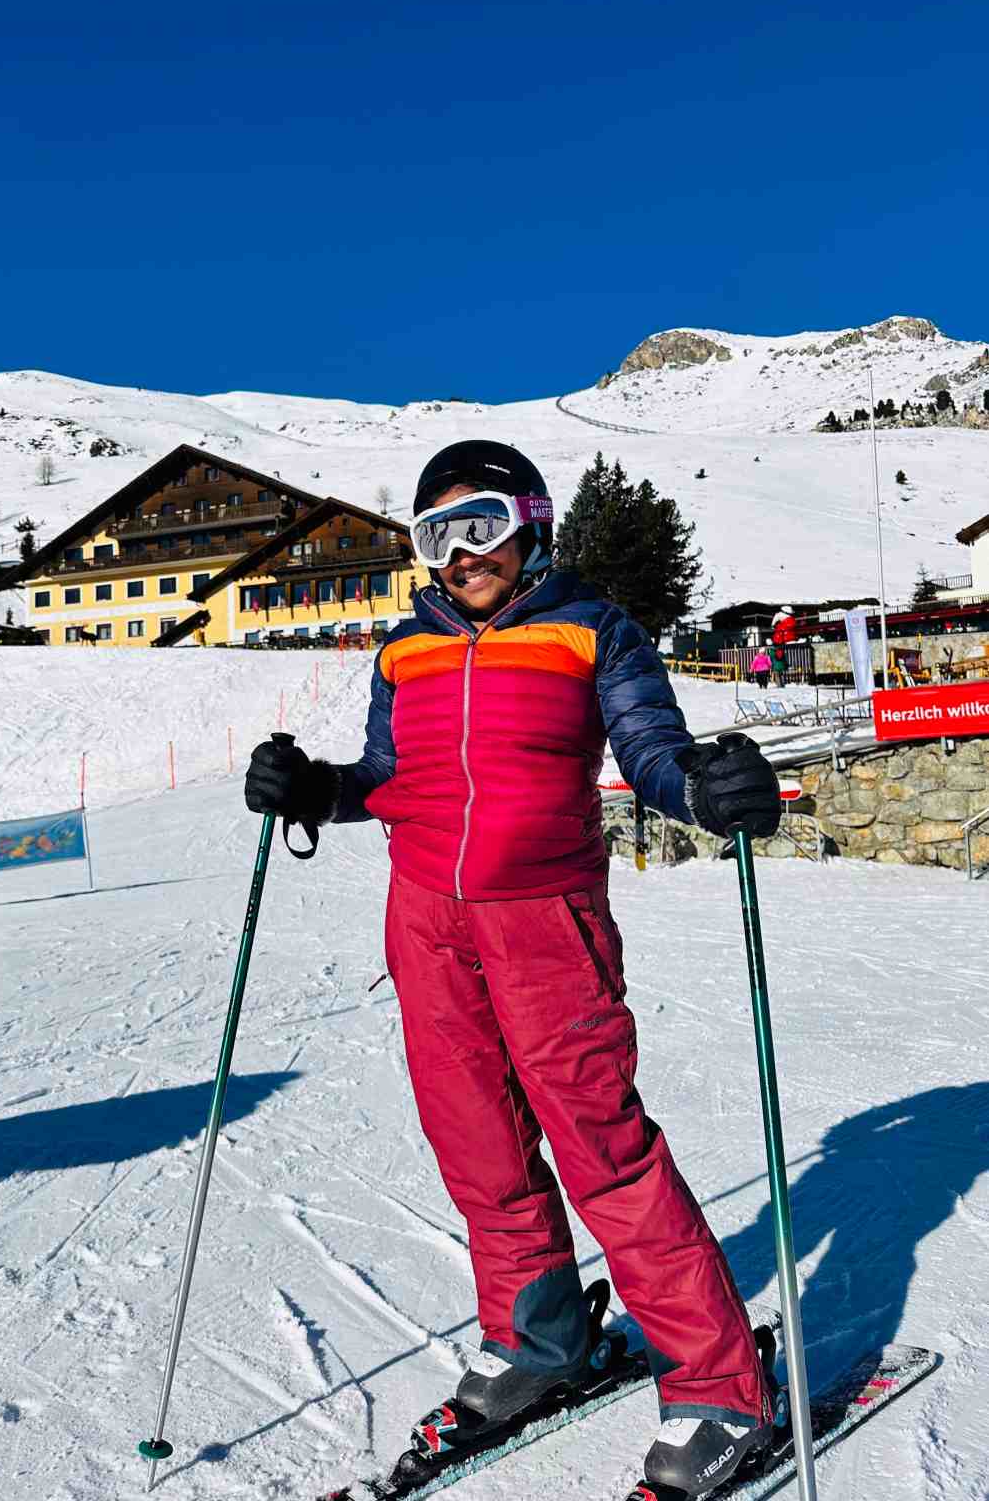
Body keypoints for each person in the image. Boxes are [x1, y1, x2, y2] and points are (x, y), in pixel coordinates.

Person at [245, 441, 782, 1497]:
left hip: (546, 921)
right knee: (478, 1141)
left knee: (601, 1146)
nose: (462, 554)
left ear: (530, 521)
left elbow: (650, 752)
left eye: (480, 524)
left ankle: (722, 1381)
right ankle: (539, 1340)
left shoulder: (593, 629)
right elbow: (387, 778)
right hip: (426, 923)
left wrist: (707, 793)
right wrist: (313, 787)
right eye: (437, 534)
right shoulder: (404, 649)